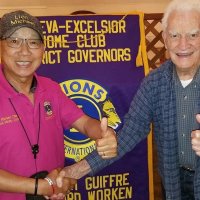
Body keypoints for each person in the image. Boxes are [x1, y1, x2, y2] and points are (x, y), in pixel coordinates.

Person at [56, 0, 200, 199]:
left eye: (193, 34)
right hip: (172, 180)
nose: (183, 44)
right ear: (165, 39)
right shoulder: (153, 83)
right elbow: (129, 134)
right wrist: (74, 171)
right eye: (175, 35)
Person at [0, 10, 117, 200]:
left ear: (43, 50)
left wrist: (105, 134)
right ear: (1, 46)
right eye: (14, 41)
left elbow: (85, 123)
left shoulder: (51, 89)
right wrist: (42, 186)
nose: (24, 51)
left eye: (33, 42)